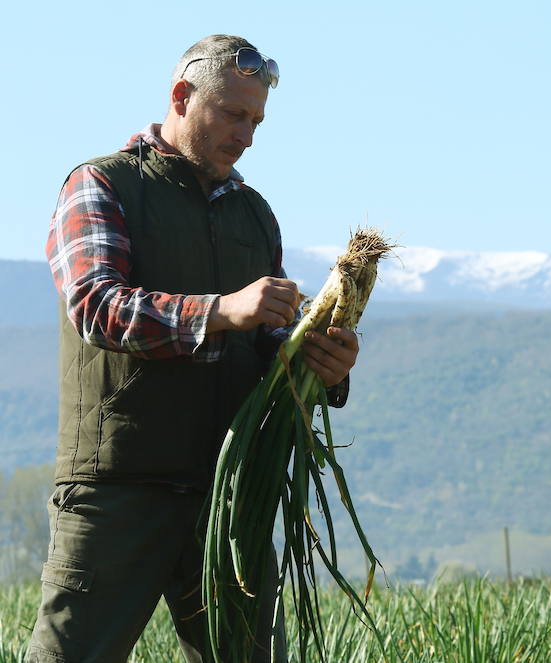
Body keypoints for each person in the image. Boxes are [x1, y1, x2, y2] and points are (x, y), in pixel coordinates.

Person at [27, 35, 358, 663]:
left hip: (230, 493)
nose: (248, 135)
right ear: (182, 96)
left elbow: (266, 346)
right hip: (117, 488)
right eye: (234, 114)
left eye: (256, 121)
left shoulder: (256, 215)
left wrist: (322, 366)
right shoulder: (101, 184)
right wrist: (222, 310)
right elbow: (97, 307)